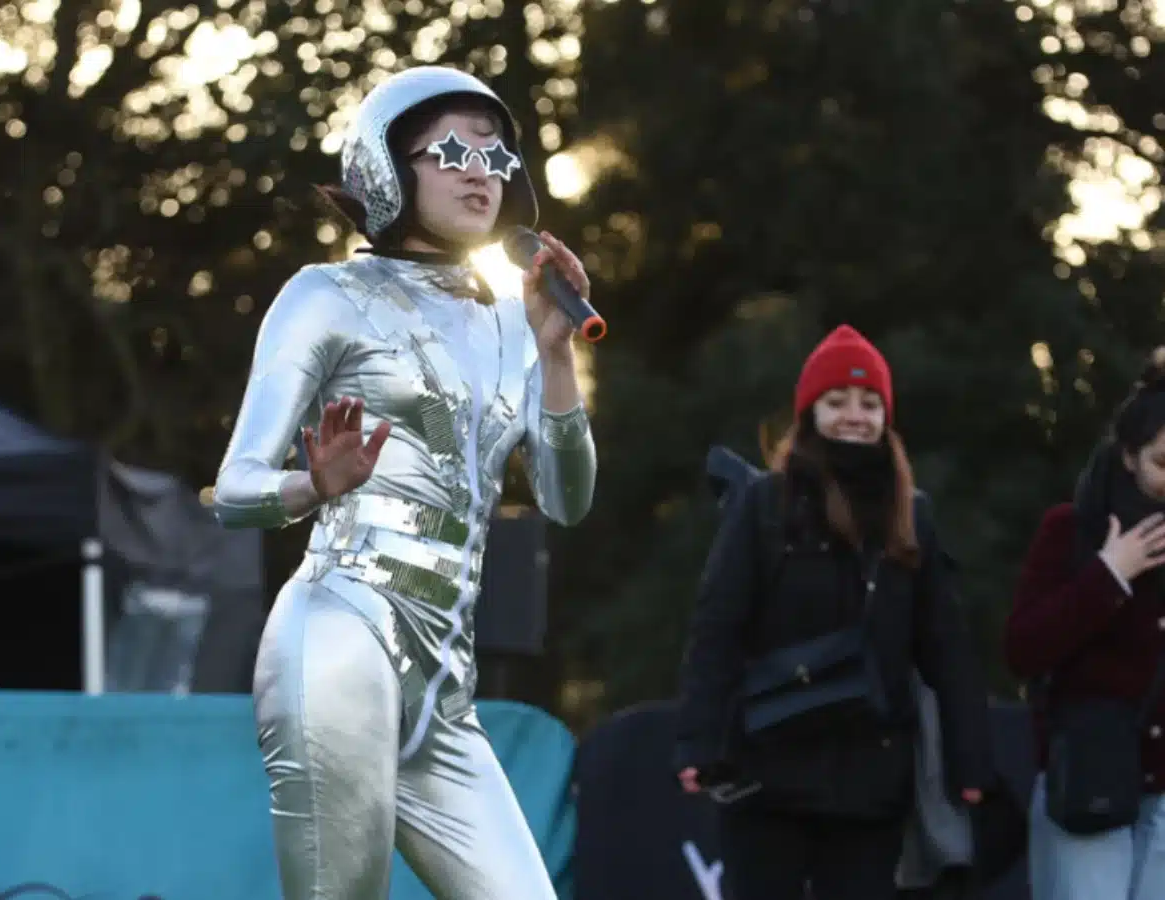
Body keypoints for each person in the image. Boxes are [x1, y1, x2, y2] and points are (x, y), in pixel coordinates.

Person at [212, 65, 596, 899]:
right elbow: (234, 489)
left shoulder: (516, 319)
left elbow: (568, 501)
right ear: (389, 165)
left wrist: (557, 352)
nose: (477, 171)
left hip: (446, 686)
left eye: (496, 157)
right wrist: (310, 487)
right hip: (340, 633)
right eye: (452, 150)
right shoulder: (325, 295)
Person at [672, 325, 990, 900]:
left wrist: (970, 762)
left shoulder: (911, 516)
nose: (854, 415)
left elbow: (947, 649)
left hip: (870, 783)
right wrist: (697, 741)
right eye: (838, 401)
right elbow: (716, 627)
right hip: (766, 776)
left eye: (870, 404)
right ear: (809, 411)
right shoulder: (764, 505)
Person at [1005, 347, 1165, 900]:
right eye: (1164, 463)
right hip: (1089, 778)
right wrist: (1109, 576)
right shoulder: (1073, 530)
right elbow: (1022, 649)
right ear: (1129, 456)